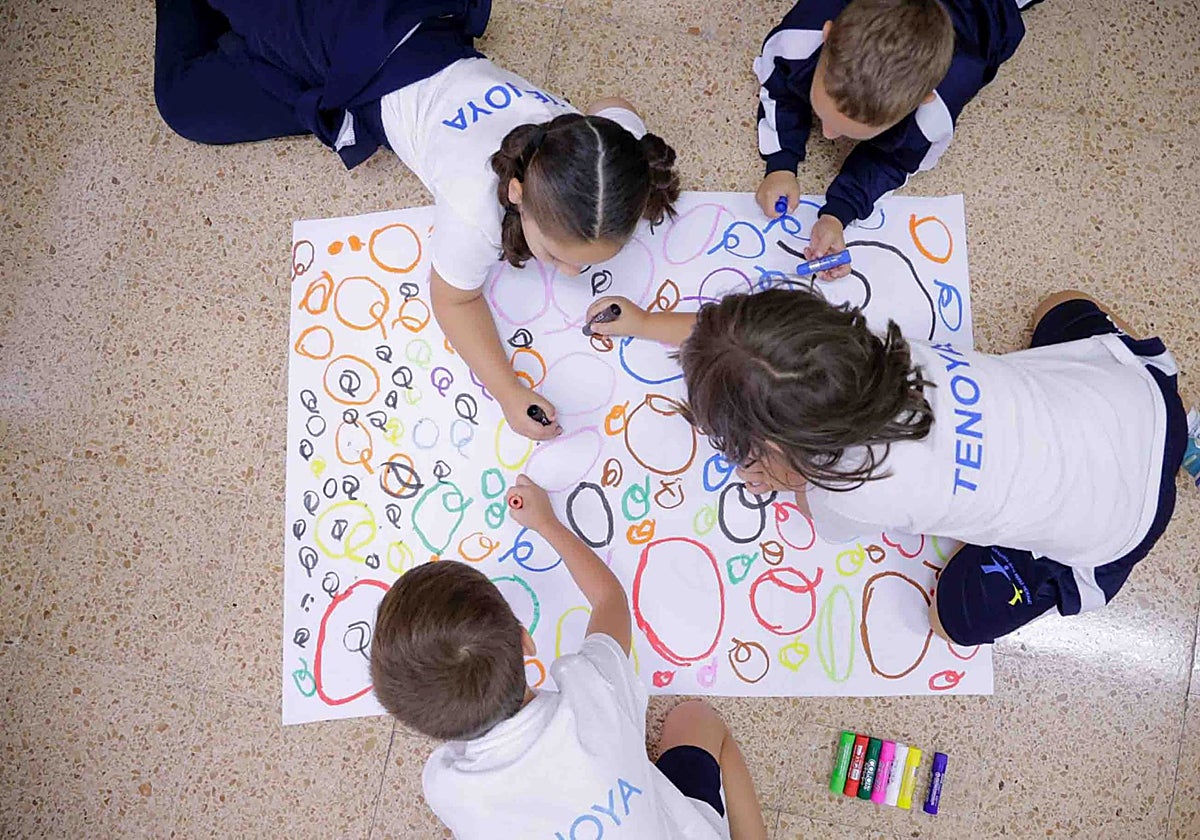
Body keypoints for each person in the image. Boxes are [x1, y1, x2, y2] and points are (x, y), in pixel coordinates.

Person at [154, 0, 680, 440]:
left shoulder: (602, 146)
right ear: (515, 193)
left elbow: (617, 106)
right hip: (340, 49)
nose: (571, 275)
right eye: (559, 256)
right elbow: (454, 299)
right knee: (185, 103)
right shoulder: (477, 204)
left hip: (414, 22)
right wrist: (508, 390)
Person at [582, 289, 1186, 646]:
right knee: (1062, 307)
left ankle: (1061, 564)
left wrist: (776, 478)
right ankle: (1183, 432)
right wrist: (640, 323)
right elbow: (742, 347)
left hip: (1117, 531)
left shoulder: (852, 494)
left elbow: (810, 505)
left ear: (788, 453)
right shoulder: (860, 344)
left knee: (954, 621)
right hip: (1144, 401)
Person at [369, 475, 767, 839]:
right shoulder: (593, 691)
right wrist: (547, 524)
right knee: (695, 718)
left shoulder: (444, 787)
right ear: (526, 641)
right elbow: (609, 600)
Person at [752, 0, 1028, 280]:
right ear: (827, 34)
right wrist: (781, 162)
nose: (826, 134)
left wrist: (839, 211)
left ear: (923, 101)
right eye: (824, 116)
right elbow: (779, 86)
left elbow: (893, 162)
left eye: (846, 129)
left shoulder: (937, 112)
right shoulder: (798, 36)